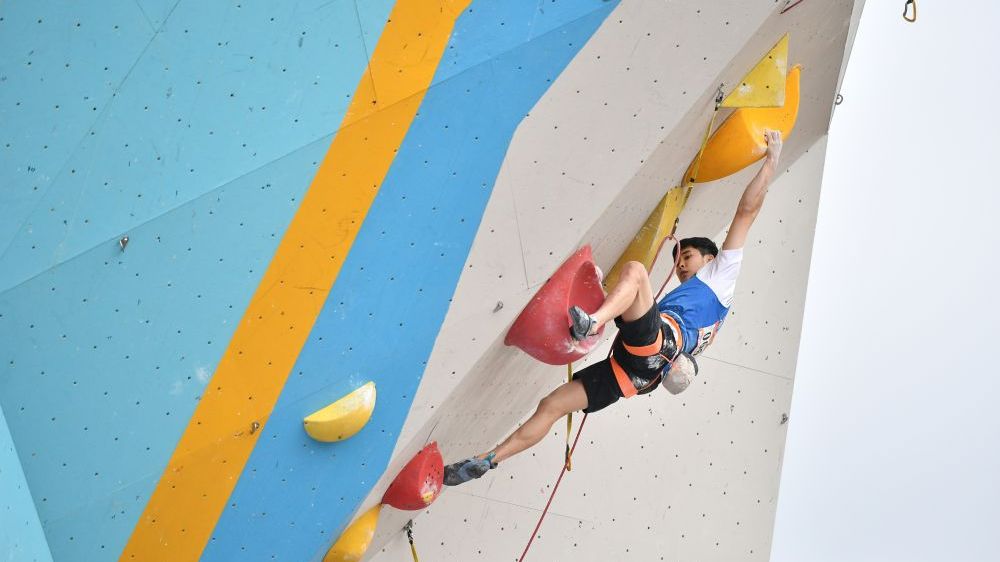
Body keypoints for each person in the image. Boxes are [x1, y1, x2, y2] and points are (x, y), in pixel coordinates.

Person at [443, 130, 784, 486]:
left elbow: (747, 211)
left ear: (711, 259)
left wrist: (771, 160)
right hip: (633, 374)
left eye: (686, 256)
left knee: (635, 273)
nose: (680, 265)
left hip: (657, 347)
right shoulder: (706, 313)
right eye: (678, 259)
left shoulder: (722, 275)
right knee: (552, 405)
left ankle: (591, 324)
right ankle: (489, 459)